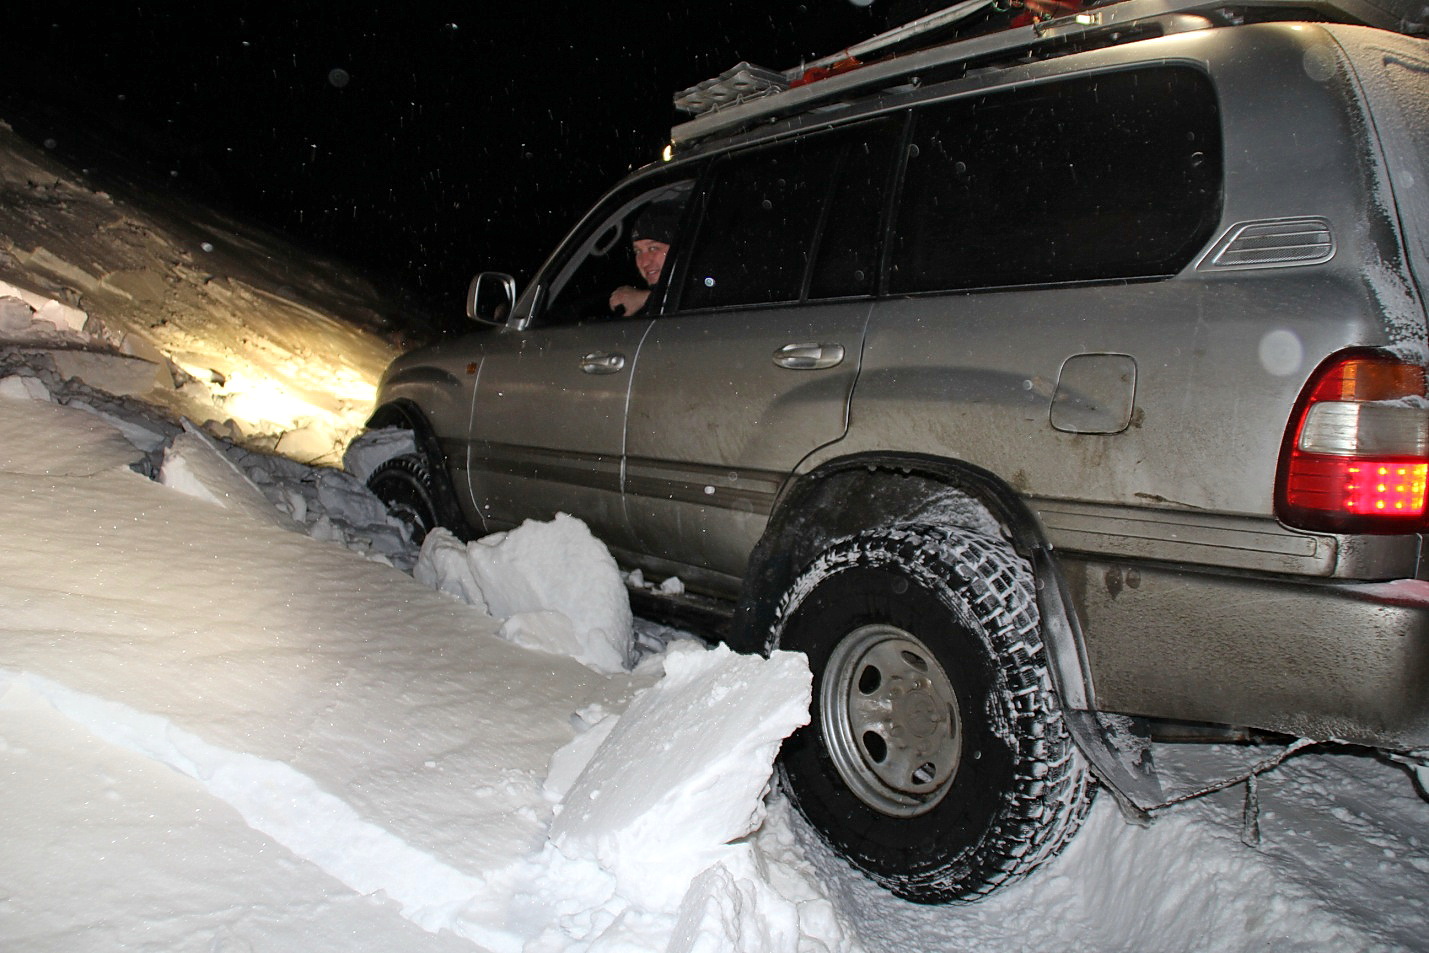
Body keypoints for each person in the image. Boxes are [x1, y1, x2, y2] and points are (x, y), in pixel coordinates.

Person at [608, 201, 680, 317]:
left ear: (678, 249)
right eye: (638, 251)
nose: (644, 262)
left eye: (653, 248)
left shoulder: (707, 281)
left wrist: (645, 298)